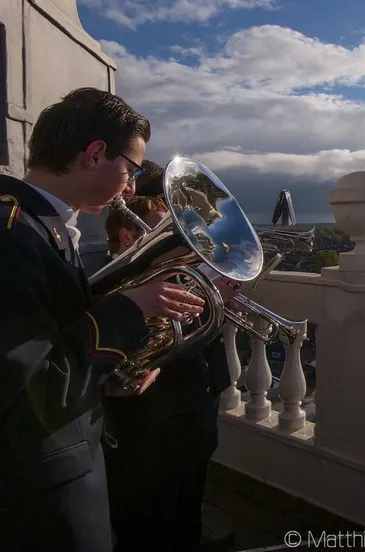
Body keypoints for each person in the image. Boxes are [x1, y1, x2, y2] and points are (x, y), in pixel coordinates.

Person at [0, 88, 206, 551]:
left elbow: (58, 347)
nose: (130, 187)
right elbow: (27, 388)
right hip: (37, 497)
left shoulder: (44, 228)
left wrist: (108, 376)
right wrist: (130, 309)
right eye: (130, 170)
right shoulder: (11, 235)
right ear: (94, 154)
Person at [102, 174, 237, 552]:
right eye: (166, 228)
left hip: (194, 403)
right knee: (148, 518)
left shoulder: (175, 276)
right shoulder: (109, 279)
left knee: (189, 499)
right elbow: (139, 342)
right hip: (152, 419)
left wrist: (215, 305)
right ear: (129, 237)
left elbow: (192, 335)